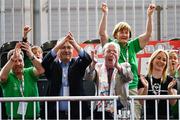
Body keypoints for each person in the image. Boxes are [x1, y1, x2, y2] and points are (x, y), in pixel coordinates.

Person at [98, 2, 156, 119]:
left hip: (133, 87)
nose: (124, 34)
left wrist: (149, 15)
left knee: (134, 116)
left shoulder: (133, 45)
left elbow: (148, 34)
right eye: (121, 32)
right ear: (115, 34)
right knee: (116, 116)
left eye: (126, 32)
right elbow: (102, 33)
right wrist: (105, 14)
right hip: (115, 88)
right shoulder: (111, 45)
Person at [41, 32, 92, 119]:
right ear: (58, 50)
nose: (66, 50)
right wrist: (58, 45)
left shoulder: (77, 64)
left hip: (76, 113)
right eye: (63, 47)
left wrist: (74, 44)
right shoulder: (52, 65)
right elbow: (45, 62)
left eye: (69, 48)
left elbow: (87, 59)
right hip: (55, 114)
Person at [84, 42, 133, 119]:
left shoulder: (124, 66)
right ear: (103, 54)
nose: (111, 53)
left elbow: (129, 77)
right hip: (100, 108)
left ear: (119, 54)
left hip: (118, 107)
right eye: (108, 51)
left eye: (114, 51)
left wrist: (117, 66)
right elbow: (88, 77)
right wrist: (93, 63)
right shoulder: (97, 67)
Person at [0, 42, 44, 119]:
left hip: (34, 117)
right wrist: (12, 58)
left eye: (20, 60)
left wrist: (30, 54)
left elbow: (41, 70)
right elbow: (2, 77)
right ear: (10, 62)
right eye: (14, 61)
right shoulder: (8, 75)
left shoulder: (29, 72)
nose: (18, 63)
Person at [138, 49, 177, 119]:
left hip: (166, 117)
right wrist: (146, 88)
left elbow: (173, 102)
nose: (161, 61)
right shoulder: (143, 80)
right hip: (148, 117)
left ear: (166, 64)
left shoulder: (171, 80)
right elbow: (141, 102)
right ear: (152, 60)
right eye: (158, 58)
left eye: (164, 60)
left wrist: (169, 89)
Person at [168, 50, 180, 119]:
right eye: (170, 58)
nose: (173, 60)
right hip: (167, 113)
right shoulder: (163, 76)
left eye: (175, 58)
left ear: (178, 62)